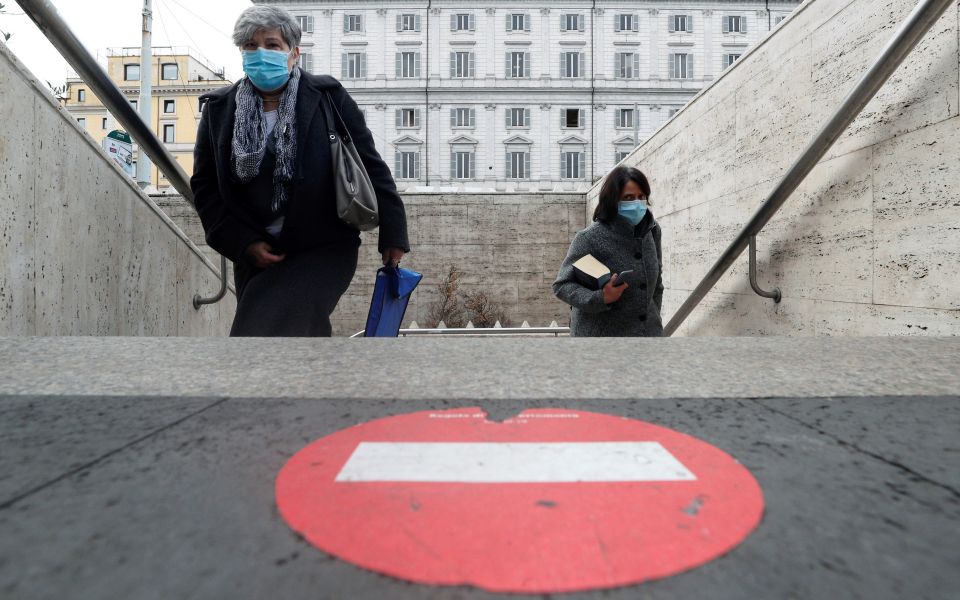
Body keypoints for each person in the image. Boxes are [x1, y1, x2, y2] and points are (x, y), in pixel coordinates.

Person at [191, 6, 409, 336]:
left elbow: (370, 163)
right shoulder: (220, 108)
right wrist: (244, 244)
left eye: (272, 44)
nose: (260, 53)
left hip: (323, 245)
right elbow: (205, 186)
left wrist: (393, 232)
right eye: (250, 45)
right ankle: (317, 385)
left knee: (261, 332)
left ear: (294, 54)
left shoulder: (327, 97)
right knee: (291, 333)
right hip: (258, 253)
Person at [553, 165, 664, 337]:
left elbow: (657, 285)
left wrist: (653, 321)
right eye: (628, 197)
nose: (636, 203)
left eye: (641, 197)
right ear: (613, 199)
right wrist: (601, 298)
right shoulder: (589, 238)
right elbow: (562, 285)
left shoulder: (653, 232)